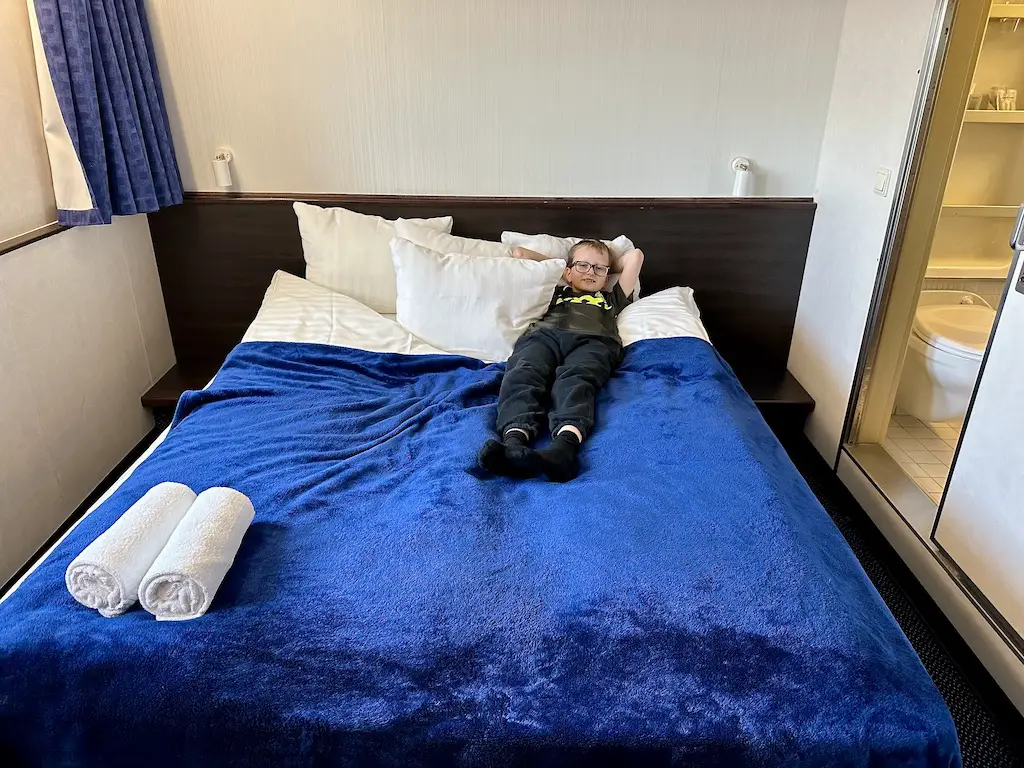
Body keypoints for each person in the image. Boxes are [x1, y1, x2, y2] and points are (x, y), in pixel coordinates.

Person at [477, 239, 644, 481]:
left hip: (594, 340)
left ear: (607, 276)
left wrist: (603, 260)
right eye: (583, 266)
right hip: (544, 336)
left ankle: (564, 449)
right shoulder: (553, 291)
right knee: (524, 373)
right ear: (567, 271)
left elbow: (635, 255)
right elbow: (520, 253)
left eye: (599, 268)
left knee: (575, 381)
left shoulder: (611, 297)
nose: (591, 272)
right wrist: (566, 270)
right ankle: (514, 443)